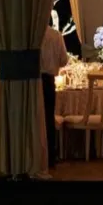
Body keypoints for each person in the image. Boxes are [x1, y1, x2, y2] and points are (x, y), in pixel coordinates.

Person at [41, 20, 69, 168]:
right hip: (48, 81)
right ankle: (50, 157)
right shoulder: (56, 35)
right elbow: (64, 60)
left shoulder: (31, 34)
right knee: (48, 119)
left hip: (31, 82)